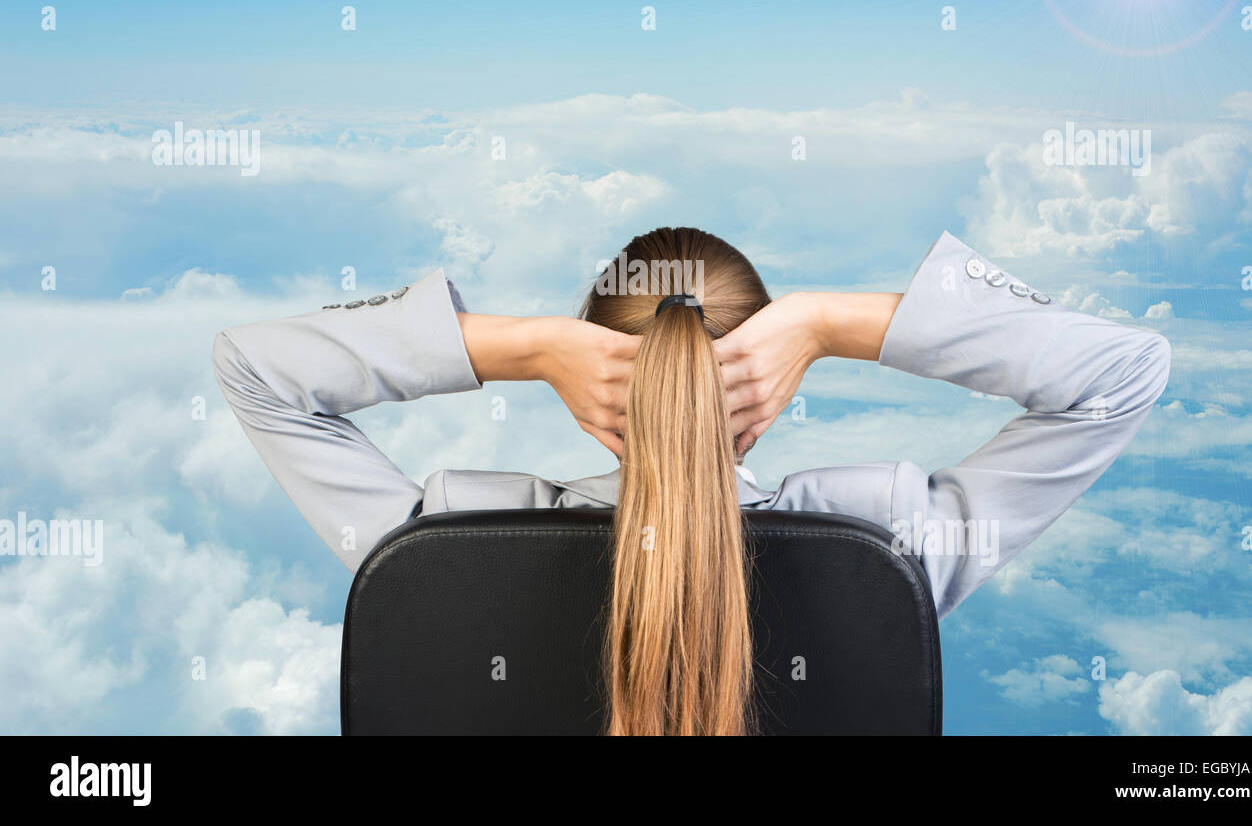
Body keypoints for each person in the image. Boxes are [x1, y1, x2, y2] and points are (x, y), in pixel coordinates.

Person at [213, 226, 1170, 735]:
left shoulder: (450, 543)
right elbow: (1120, 375)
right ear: (770, 391)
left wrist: (527, 348)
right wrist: (831, 324)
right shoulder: (884, 548)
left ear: (591, 389)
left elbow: (257, 370)